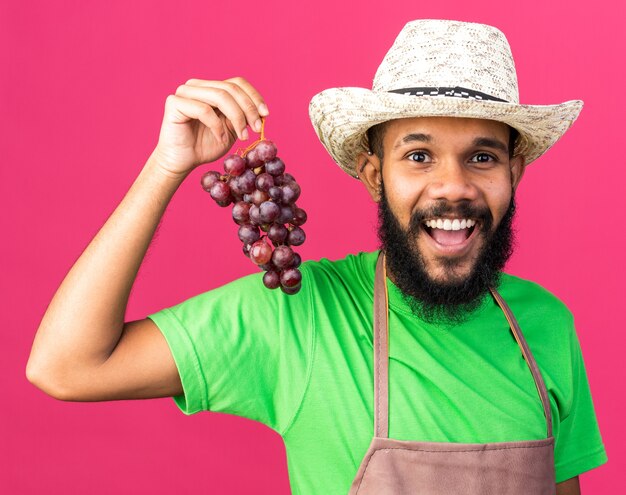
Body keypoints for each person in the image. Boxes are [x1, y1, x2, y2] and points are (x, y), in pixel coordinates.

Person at [26, 19, 607, 494]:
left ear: (514, 172)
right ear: (374, 174)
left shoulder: (546, 326)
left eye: (481, 158)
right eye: (419, 156)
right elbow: (66, 366)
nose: (452, 187)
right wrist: (166, 166)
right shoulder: (300, 317)